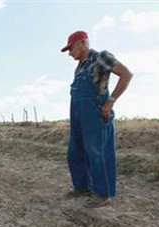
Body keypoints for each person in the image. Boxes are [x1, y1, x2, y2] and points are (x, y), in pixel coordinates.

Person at [61, 30, 133, 208]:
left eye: (71, 48)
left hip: (94, 112)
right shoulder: (80, 67)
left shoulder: (101, 57)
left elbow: (126, 74)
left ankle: (102, 194)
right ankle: (82, 187)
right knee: (74, 151)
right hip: (77, 112)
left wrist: (110, 102)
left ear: (82, 43)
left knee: (96, 152)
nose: (70, 53)